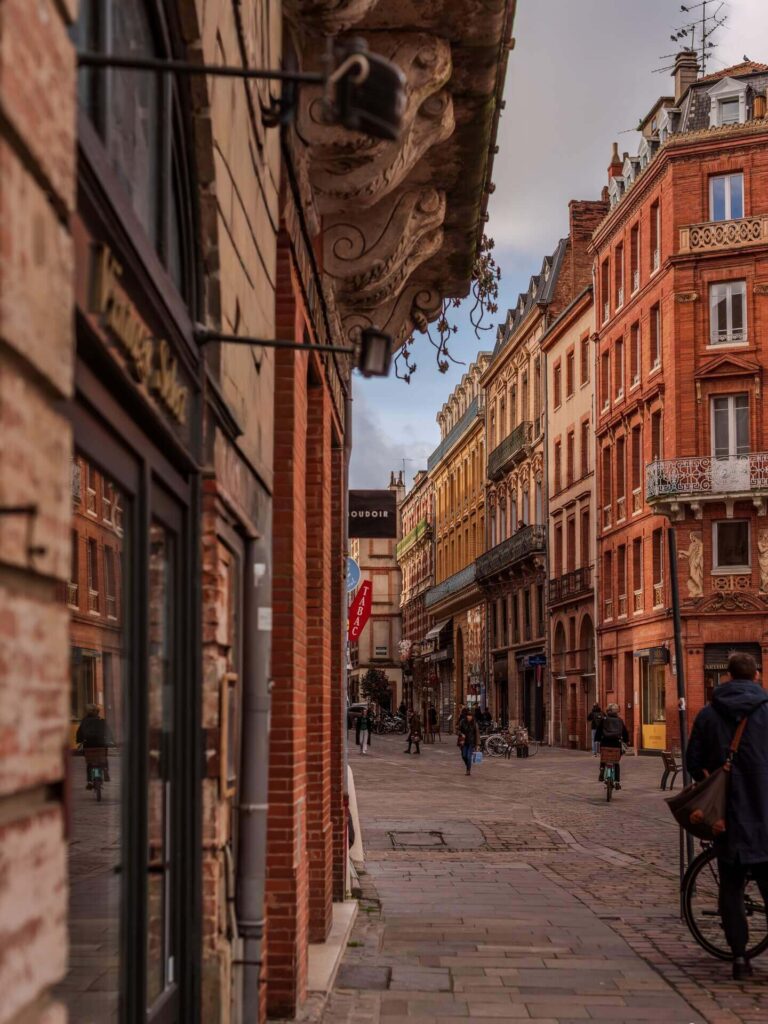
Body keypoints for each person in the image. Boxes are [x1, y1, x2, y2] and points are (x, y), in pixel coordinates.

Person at [687, 651, 768, 980]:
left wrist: (711, 779)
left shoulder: (708, 714)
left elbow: (693, 761)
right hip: (764, 814)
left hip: (726, 818)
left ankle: (739, 958)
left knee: (731, 889)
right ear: (757, 676)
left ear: (728, 676)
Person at [76, 703, 112, 788]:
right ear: (97, 712)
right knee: (103, 757)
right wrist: (111, 740)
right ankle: (105, 769)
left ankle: (90, 781)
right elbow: (108, 732)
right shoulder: (101, 721)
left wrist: (79, 741)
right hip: (100, 744)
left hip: (89, 746)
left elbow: (79, 733)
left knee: (90, 763)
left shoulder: (84, 721)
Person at [595, 703, 628, 788]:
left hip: (605, 742)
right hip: (616, 744)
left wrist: (597, 740)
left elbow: (598, 731)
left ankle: (602, 770)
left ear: (608, 710)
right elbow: (625, 732)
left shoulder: (604, 719)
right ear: (616, 711)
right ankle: (617, 782)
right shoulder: (620, 720)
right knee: (616, 762)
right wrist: (626, 741)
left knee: (604, 758)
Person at [458, 709, 480, 776]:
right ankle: (468, 766)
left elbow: (477, 734)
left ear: (472, 716)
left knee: (468, 756)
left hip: (471, 742)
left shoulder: (475, 723)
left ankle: (468, 770)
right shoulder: (462, 722)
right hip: (463, 742)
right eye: (468, 715)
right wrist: (461, 734)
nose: (469, 717)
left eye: (470, 716)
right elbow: (458, 730)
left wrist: (477, 744)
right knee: (464, 756)